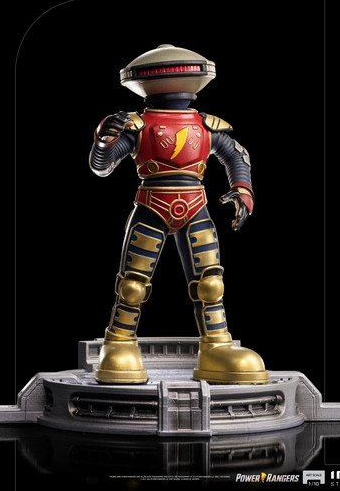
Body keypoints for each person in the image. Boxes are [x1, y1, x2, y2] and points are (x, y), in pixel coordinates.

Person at [89, 44, 268, 385]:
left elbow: (236, 156)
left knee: (211, 284)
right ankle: (119, 342)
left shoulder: (205, 126)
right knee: (132, 285)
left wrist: (243, 189)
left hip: (195, 205)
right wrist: (103, 140)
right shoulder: (137, 126)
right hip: (151, 206)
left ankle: (216, 345)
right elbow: (103, 165)